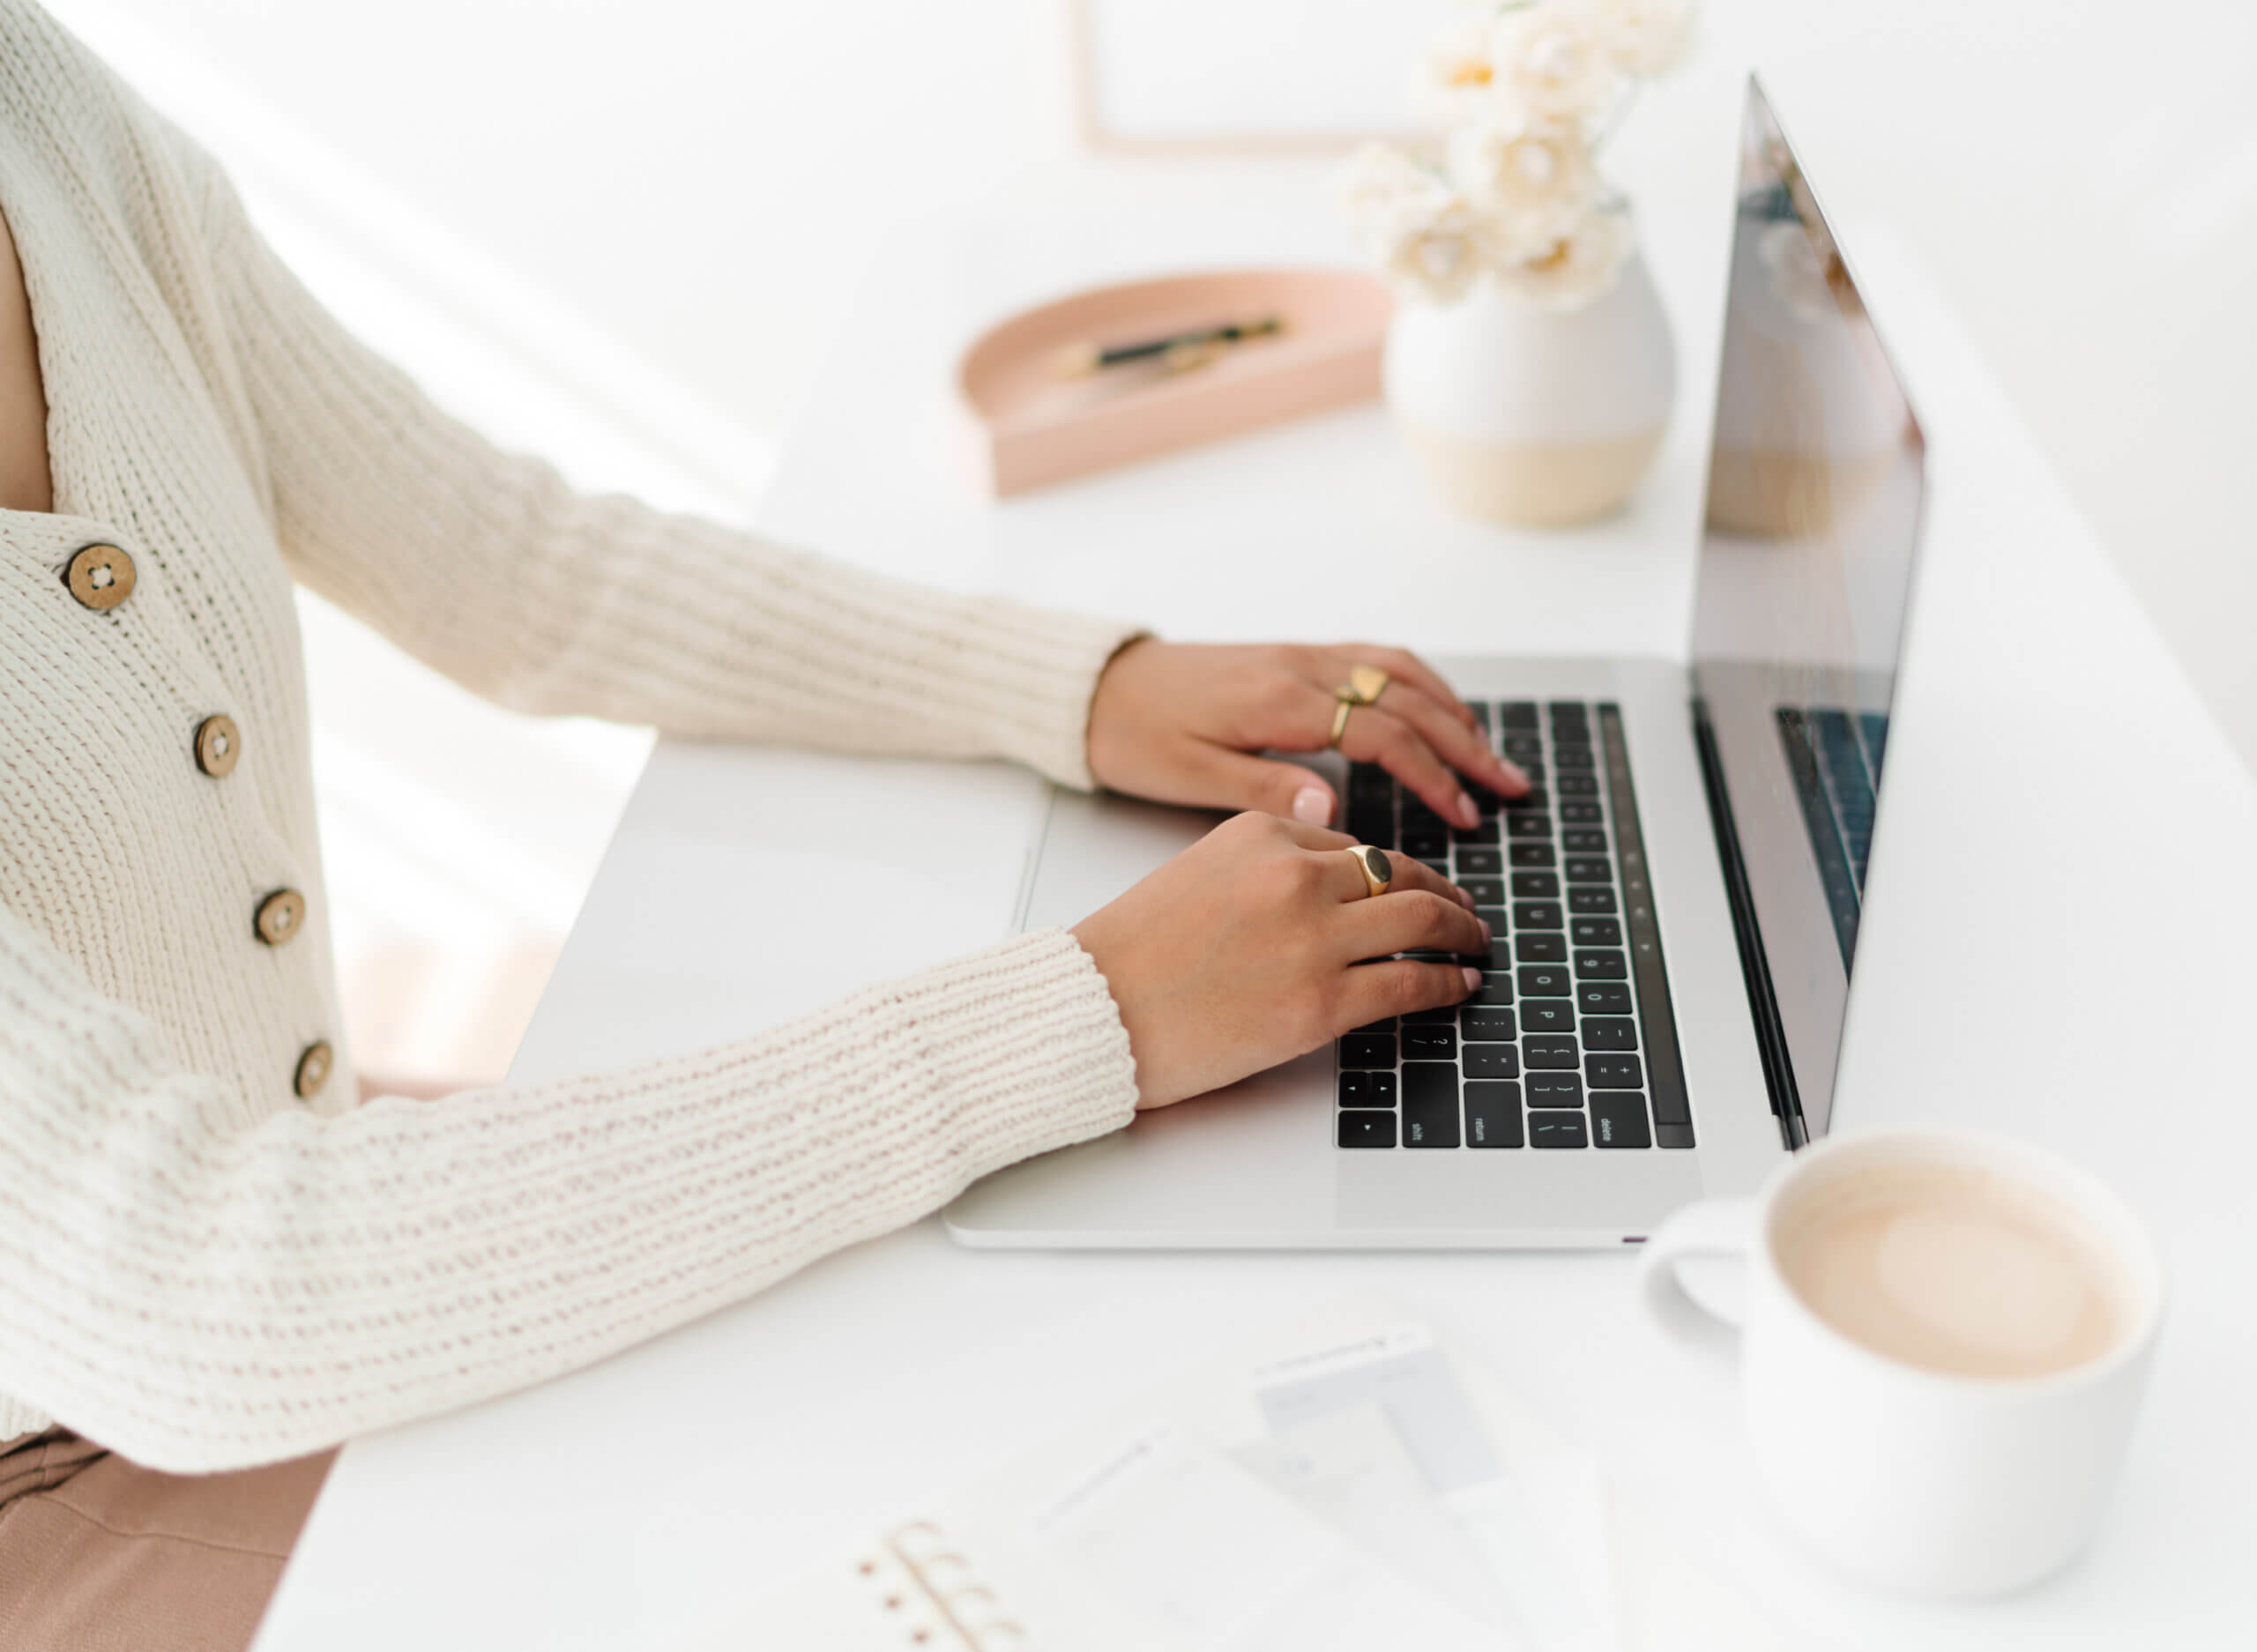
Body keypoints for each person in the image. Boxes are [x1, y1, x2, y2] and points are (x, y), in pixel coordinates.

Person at [0, 4, 1526, 1644]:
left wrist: (1080, 686)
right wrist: (1093, 1008)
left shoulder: (41, 103)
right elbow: (194, 1292)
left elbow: (506, 564)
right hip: (93, 1438)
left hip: (303, 1213)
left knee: (998, 1365)